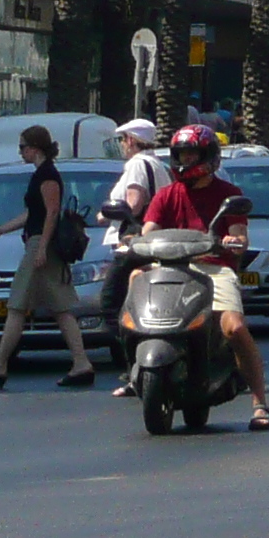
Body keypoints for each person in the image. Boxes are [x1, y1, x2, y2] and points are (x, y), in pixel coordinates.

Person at [136, 125, 269, 432]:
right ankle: (133, 367)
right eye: (181, 154)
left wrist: (233, 242)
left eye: (192, 153)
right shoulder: (166, 195)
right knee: (135, 282)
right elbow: (149, 233)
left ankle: (259, 401)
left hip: (214, 269)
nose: (185, 160)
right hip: (170, 268)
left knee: (235, 327)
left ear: (209, 156)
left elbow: (239, 236)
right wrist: (135, 243)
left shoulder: (228, 195)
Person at [0, 125, 96, 390]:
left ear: (34, 148)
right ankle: (81, 363)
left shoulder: (47, 175)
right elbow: (32, 214)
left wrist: (40, 248)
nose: (20, 151)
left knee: (16, 306)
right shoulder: (40, 174)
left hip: (40, 244)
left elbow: (51, 212)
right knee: (61, 308)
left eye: (22, 146)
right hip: (40, 242)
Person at [97, 117, 169, 395]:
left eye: (123, 140)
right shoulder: (157, 164)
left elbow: (134, 203)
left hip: (134, 245)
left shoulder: (138, 164)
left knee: (112, 304)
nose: (122, 146)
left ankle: (135, 364)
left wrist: (106, 213)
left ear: (131, 140)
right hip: (150, 243)